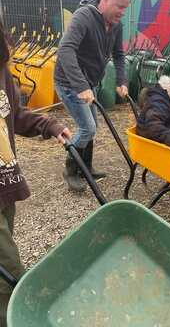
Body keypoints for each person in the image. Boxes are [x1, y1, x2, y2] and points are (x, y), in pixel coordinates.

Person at [0, 21, 71, 326]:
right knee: (11, 271)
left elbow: (13, 115)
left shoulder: (2, 71)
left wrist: (49, 126)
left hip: (5, 182)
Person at [54, 0, 130, 192]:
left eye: (126, 8)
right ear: (105, 0)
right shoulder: (83, 17)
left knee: (91, 128)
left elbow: (119, 55)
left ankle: (85, 167)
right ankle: (70, 171)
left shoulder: (116, 25)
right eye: (120, 7)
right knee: (88, 128)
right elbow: (65, 49)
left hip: (89, 83)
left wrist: (121, 81)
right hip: (69, 83)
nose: (122, 13)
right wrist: (80, 86)